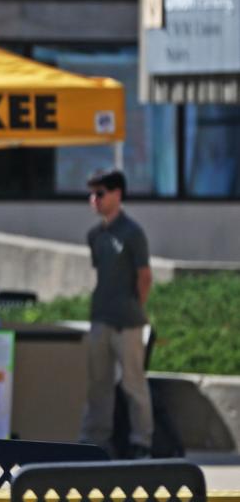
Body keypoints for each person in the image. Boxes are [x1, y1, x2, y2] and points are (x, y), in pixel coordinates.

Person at [79, 169, 154, 459]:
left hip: (128, 322)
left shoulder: (133, 233)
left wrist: (133, 306)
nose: (94, 199)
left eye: (100, 193)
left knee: (134, 383)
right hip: (100, 318)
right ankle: (95, 440)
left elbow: (144, 277)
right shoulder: (95, 235)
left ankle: (141, 442)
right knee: (98, 384)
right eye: (92, 194)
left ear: (117, 194)